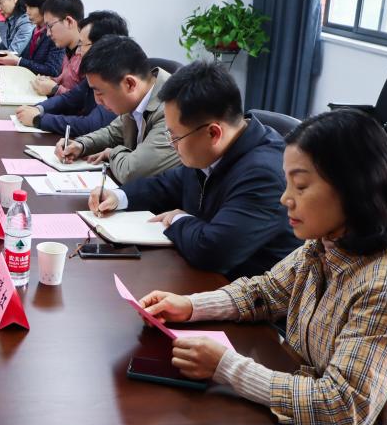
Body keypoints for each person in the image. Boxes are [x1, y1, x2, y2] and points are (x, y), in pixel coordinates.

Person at [140, 108, 387, 425]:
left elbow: (342, 406)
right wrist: (191, 306)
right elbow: (266, 290)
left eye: (301, 185)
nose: (285, 198)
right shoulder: (329, 243)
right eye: (287, 182)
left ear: (353, 187)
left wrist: (227, 367)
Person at [89, 61, 299, 279]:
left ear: (213, 133)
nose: (171, 144)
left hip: (239, 291)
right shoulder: (214, 150)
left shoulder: (264, 175)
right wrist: (119, 197)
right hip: (200, 277)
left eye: (176, 136)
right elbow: (168, 184)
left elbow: (213, 252)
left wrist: (179, 220)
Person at [56, 35, 181, 183]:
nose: (97, 101)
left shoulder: (173, 108)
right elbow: (113, 133)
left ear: (129, 84)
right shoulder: (138, 98)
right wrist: (81, 145)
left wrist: (112, 153)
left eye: (99, 92)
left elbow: (132, 172)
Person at [15, 10, 124, 136]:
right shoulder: (97, 73)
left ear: (103, 45)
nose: (78, 52)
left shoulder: (117, 78)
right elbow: (69, 98)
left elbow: (90, 125)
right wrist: (38, 109)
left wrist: (38, 119)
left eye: (82, 45)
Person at [0, 0, 64, 76]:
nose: (27, 12)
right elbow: (29, 61)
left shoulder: (56, 34)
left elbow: (52, 70)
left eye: (31, 7)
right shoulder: (35, 30)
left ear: (45, 7)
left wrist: (18, 61)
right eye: (26, 7)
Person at [31, 0, 85, 97]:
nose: (48, 33)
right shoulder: (68, 51)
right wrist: (49, 81)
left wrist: (55, 89)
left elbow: (87, 101)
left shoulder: (86, 56)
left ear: (69, 22)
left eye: (50, 26)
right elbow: (65, 81)